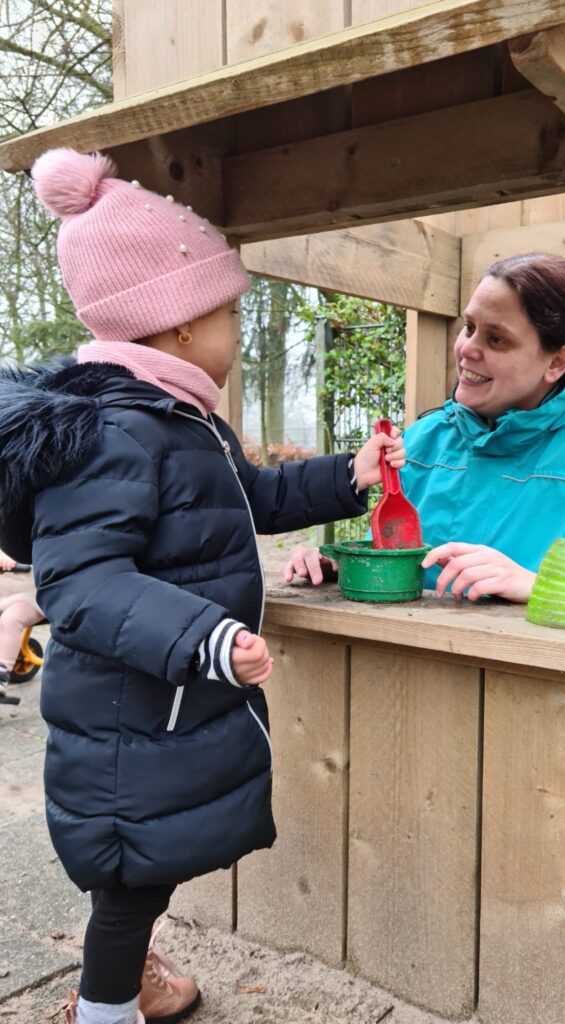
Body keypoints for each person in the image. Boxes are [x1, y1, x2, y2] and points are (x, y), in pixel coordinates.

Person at [0, 148, 404, 1024]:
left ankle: (120, 979)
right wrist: (206, 638)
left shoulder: (184, 423)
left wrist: (349, 474)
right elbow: (80, 580)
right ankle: (104, 1009)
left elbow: (253, 500)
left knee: (142, 872)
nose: (236, 331)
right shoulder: (117, 431)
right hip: (129, 710)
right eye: (228, 313)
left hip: (159, 708)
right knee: (128, 877)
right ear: (179, 324)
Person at [284, 252, 565, 616]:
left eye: (496, 338)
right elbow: (406, 566)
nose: (468, 348)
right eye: (469, 328)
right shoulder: (422, 441)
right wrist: (346, 569)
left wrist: (538, 586)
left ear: (556, 361)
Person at [0, 548, 44, 701]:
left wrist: (9, 558)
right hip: (4, 594)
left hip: (30, 596)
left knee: (10, 620)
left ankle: (2, 674)